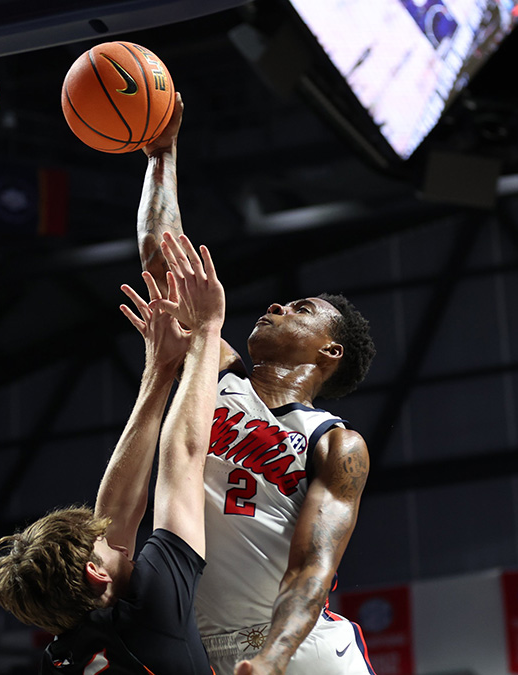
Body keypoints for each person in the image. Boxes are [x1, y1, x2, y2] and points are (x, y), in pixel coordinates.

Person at [137, 93, 378, 675]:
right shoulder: (212, 374)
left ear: (330, 350)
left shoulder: (335, 444)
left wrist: (273, 658)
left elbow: (313, 568)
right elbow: (161, 260)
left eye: (301, 308)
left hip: (298, 649)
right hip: (204, 651)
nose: (275, 305)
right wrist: (162, 156)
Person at [0, 232, 226, 675]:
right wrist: (210, 326)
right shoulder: (153, 616)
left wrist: (159, 371)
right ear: (97, 575)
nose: (115, 535)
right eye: (105, 544)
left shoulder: (63, 657)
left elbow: (116, 510)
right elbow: (183, 457)